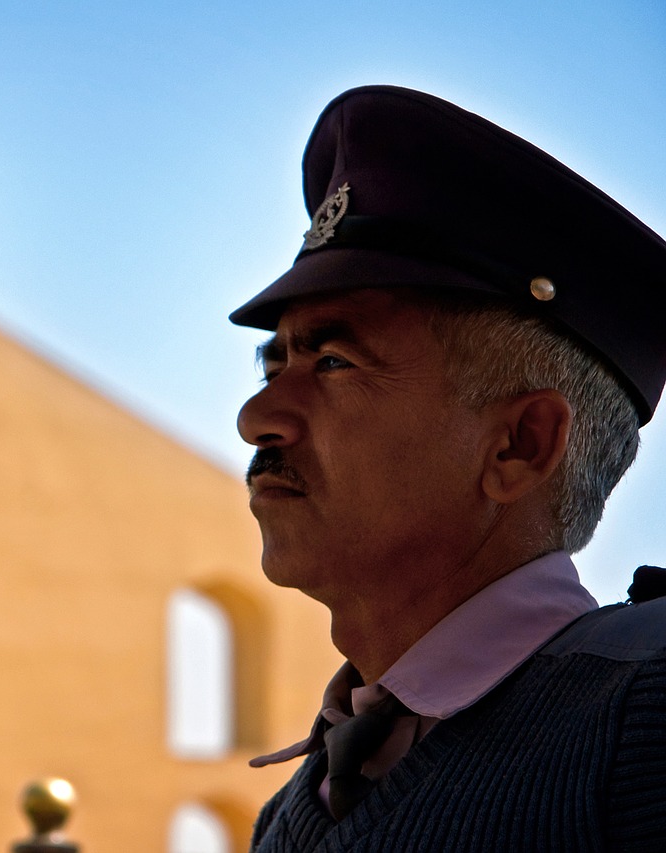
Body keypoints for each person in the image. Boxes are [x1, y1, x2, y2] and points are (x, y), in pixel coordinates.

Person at [231, 85, 666, 851]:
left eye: (333, 361)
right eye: (274, 368)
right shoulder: (295, 812)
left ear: (520, 445)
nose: (256, 419)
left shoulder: (645, 724)